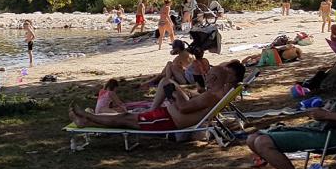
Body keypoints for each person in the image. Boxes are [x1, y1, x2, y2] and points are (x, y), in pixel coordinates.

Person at [248, 41, 336, 169]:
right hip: (329, 127)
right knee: (252, 138)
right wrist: (328, 107)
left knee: (263, 142)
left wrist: (327, 116)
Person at [70, 61, 246, 131]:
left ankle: (88, 116)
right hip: (168, 117)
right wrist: (178, 94)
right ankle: (86, 121)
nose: (205, 76)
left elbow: (183, 108)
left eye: (209, 75)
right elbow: (189, 106)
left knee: (125, 119)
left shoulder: (212, 96)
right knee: (126, 118)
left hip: (169, 120)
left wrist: (172, 97)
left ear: (214, 78)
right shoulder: (214, 94)